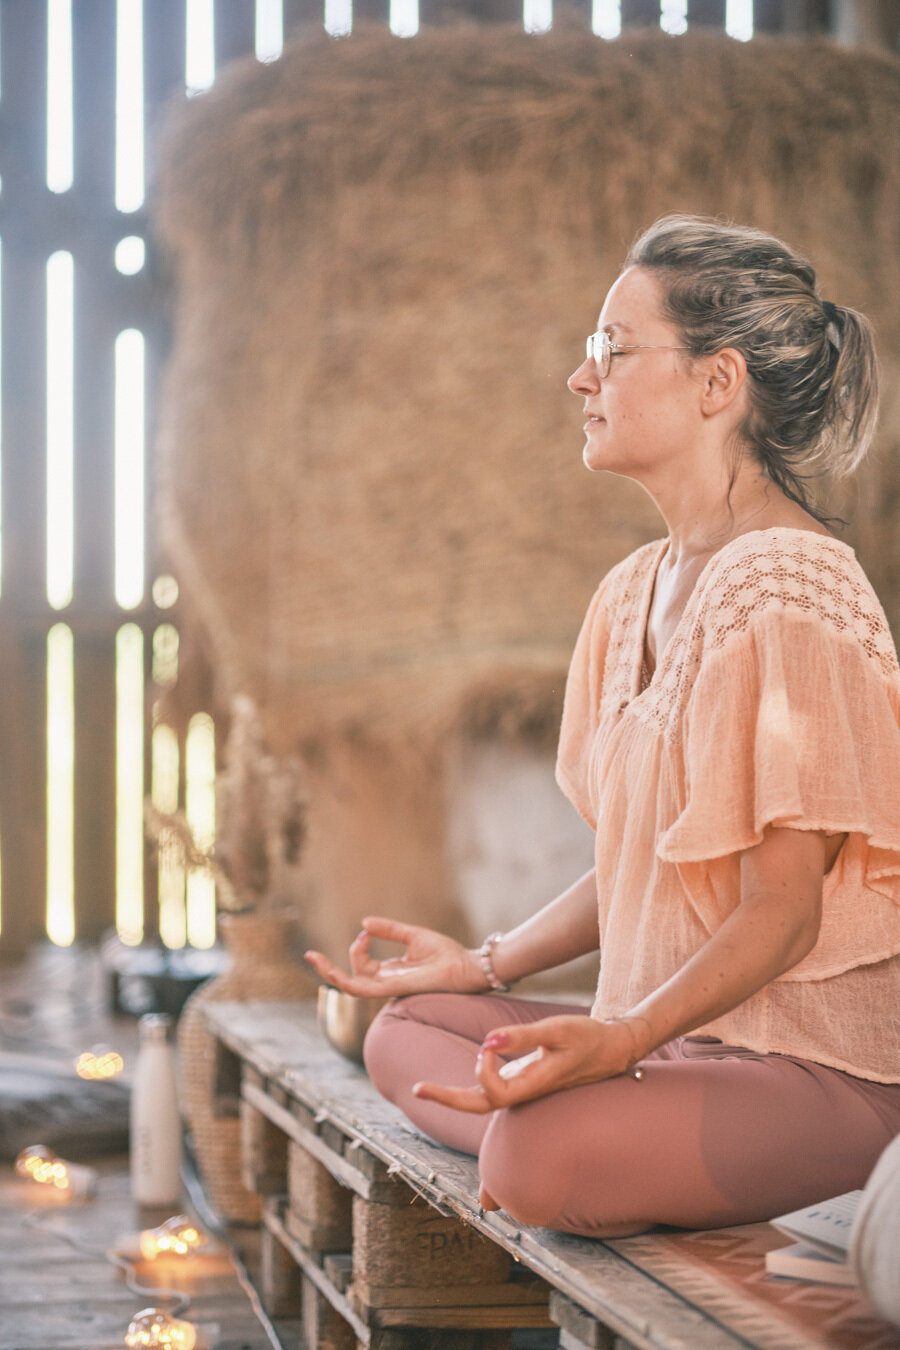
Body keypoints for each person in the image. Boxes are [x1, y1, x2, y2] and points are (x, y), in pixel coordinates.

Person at [304, 215, 900, 1239]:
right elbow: (646, 860)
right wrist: (484, 968)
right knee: (411, 1030)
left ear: (718, 384)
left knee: (537, 1157)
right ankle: (593, 1125)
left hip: (808, 1067)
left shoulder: (791, 588)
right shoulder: (634, 590)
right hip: (671, 1044)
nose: (582, 380)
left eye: (613, 350)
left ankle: (575, 1130)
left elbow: (782, 913)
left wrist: (620, 1038)